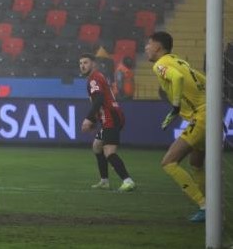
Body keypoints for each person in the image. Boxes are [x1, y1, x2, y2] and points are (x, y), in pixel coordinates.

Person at [145, 31, 207, 222]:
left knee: (168, 163)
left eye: (148, 44)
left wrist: (176, 104)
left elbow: (177, 79)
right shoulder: (179, 61)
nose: (146, 48)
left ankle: (205, 206)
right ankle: (209, 204)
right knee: (196, 164)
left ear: (157, 47)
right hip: (208, 113)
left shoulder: (160, 64)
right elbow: (202, 80)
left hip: (201, 116)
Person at [79, 53, 135, 192]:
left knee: (109, 152)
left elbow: (98, 100)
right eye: (81, 63)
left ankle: (128, 181)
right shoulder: (99, 76)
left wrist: (89, 118)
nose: (82, 66)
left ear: (94, 64)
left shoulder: (94, 79)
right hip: (111, 115)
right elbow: (102, 100)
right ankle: (104, 181)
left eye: (86, 62)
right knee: (97, 146)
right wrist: (94, 120)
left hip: (110, 117)